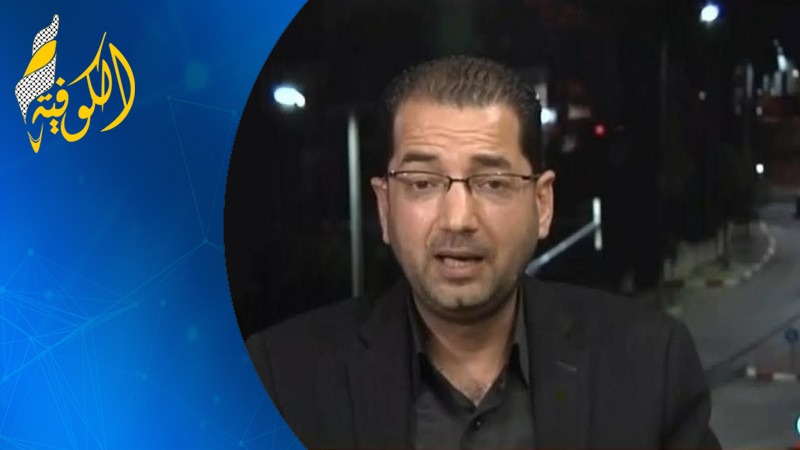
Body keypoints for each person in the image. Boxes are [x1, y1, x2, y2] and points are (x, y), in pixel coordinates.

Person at [246, 55, 720, 450]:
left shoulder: (650, 367)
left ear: (542, 204)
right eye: (423, 183)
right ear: (385, 208)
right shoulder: (279, 381)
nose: (458, 219)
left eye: (493, 182)